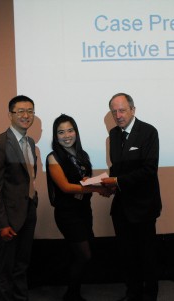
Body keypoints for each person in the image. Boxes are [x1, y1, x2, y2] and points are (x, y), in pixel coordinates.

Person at [102, 93, 162, 301]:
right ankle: (133, 291)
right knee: (127, 255)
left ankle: (150, 294)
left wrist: (116, 182)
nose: (118, 115)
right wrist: (106, 185)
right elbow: (116, 169)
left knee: (147, 255)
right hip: (121, 207)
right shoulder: (113, 134)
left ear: (133, 110)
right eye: (114, 111)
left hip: (144, 206)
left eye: (122, 110)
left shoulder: (148, 132)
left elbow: (149, 170)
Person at [46, 114, 110, 301]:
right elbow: (65, 187)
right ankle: (71, 295)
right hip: (68, 214)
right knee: (84, 255)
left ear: (76, 132)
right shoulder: (53, 157)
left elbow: (83, 181)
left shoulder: (82, 155)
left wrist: (95, 184)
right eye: (61, 132)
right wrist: (97, 189)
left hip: (83, 211)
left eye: (70, 130)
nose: (66, 135)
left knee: (79, 254)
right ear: (55, 136)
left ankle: (74, 292)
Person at [0, 95, 38, 301]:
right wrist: (2, 224)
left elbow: (26, 178)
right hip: (9, 219)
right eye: (21, 111)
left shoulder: (30, 142)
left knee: (21, 266)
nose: (26, 116)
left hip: (28, 213)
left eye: (30, 111)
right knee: (6, 270)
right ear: (10, 115)